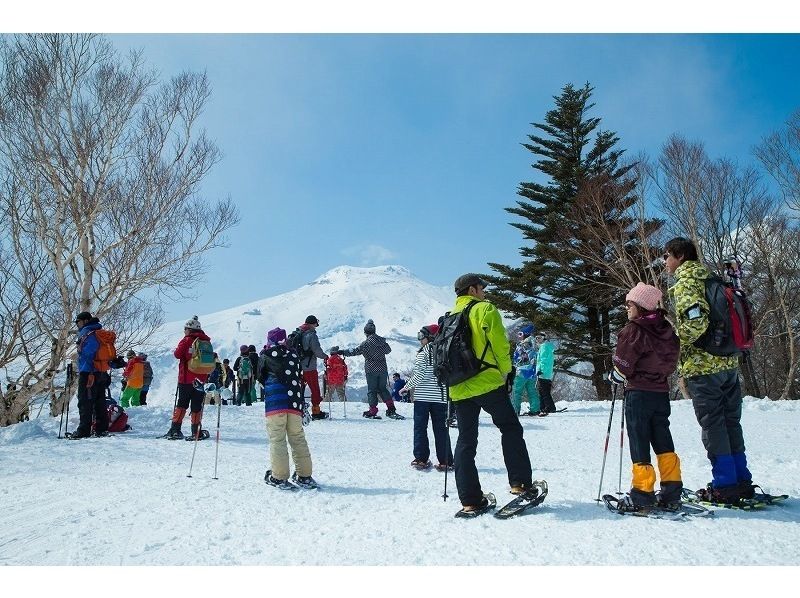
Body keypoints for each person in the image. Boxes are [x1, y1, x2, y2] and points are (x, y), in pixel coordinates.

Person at [664, 237, 756, 503]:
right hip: (728, 363)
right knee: (731, 423)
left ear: (680, 256)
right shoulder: (713, 279)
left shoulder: (687, 284)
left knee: (713, 425)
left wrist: (674, 336)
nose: (666, 263)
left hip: (703, 368)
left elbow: (694, 324)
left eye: (667, 257)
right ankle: (742, 480)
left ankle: (725, 486)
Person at [447, 274, 537, 517]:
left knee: (466, 440)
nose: (484, 292)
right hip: (487, 382)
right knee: (510, 428)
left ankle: (470, 501)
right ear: (472, 290)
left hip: (458, 388)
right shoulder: (485, 309)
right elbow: (499, 345)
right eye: (482, 288)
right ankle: (520, 484)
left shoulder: (449, 317)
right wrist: (506, 372)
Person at [609, 282, 683, 511]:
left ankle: (642, 492)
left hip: (638, 392)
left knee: (639, 440)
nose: (626, 308)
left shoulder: (634, 329)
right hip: (660, 392)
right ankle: (672, 490)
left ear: (640, 305)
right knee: (662, 438)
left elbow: (623, 363)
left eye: (629, 304)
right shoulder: (666, 329)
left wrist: (615, 376)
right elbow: (671, 361)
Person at [261, 327, 317, 490]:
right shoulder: (293, 354)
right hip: (294, 401)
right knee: (298, 437)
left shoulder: (266, 355)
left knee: (277, 439)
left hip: (275, 402)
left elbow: (260, 376)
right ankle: (304, 476)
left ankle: (279, 477)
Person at [400, 324, 453, 471]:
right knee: (441, 429)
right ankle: (445, 460)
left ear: (429, 337)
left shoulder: (423, 353)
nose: (419, 340)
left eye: (421, 336)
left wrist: (406, 387)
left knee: (420, 428)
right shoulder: (444, 352)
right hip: (440, 397)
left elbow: (419, 375)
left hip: (423, 397)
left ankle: (421, 459)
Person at [337, 319, 401, 419]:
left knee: (372, 390)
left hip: (371, 370)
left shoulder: (365, 344)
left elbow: (355, 351)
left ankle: (373, 410)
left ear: (365, 332)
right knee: (383, 389)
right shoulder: (381, 341)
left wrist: (343, 352)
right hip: (383, 369)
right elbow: (388, 350)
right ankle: (391, 408)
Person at [164, 316, 211, 440]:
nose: (184, 331)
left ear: (189, 329)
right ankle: (196, 432)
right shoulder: (206, 341)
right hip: (201, 380)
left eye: (185, 329)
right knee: (196, 406)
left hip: (186, 379)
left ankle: (175, 430)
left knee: (182, 404)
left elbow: (177, 354)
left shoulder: (187, 340)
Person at [68, 311, 110, 439]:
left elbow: (89, 351)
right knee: (100, 401)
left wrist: (80, 356)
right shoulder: (99, 331)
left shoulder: (87, 331)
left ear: (85, 320)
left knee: (85, 401)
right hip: (101, 371)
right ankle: (101, 429)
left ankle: (84, 430)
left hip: (89, 372)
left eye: (78, 322)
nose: (77, 324)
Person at [297, 315, 330, 420]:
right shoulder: (311, 335)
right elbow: (316, 350)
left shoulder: (299, 332)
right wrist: (325, 356)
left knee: (299, 388)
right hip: (309, 366)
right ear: (313, 323)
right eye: (316, 323)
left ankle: (298, 409)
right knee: (314, 389)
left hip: (298, 366)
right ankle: (316, 412)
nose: (316, 326)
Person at [511, 324, 540, 416]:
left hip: (522, 372)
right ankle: (535, 409)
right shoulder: (535, 344)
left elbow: (518, 358)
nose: (519, 336)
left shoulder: (523, 345)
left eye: (520, 334)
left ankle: (515, 410)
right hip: (532, 372)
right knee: (532, 391)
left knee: (516, 391)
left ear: (525, 334)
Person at [535, 332, 556, 416]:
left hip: (543, 372)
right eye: (536, 338)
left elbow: (543, 360)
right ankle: (544, 406)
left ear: (544, 338)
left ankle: (549, 407)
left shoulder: (544, 347)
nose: (537, 340)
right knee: (543, 390)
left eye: (539, 338)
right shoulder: (546, 346)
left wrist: (540, 370)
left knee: (544, 391)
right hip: (547, 372)